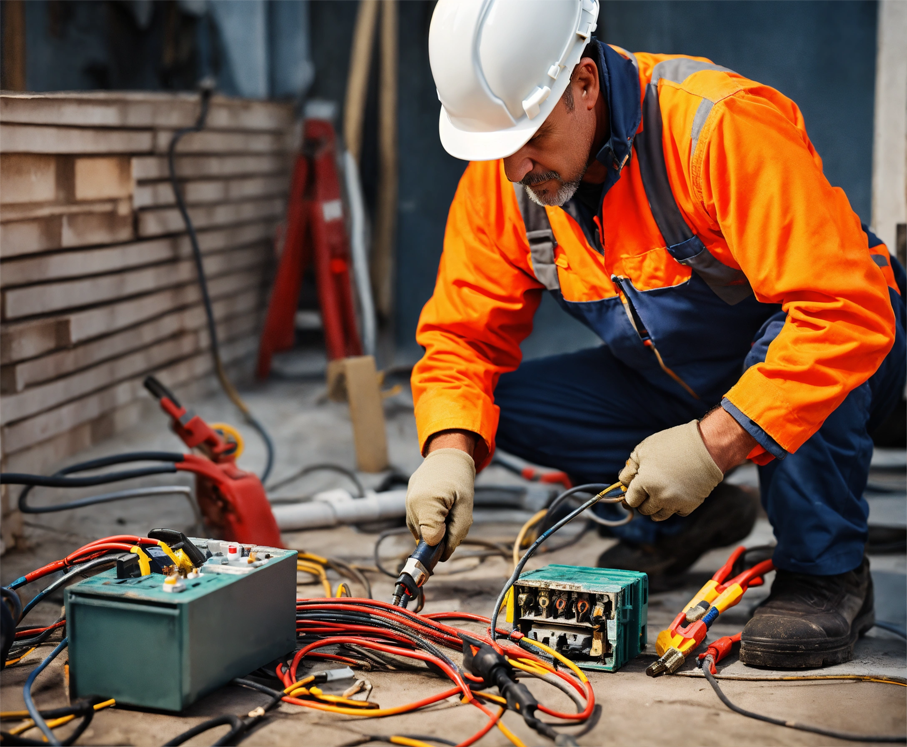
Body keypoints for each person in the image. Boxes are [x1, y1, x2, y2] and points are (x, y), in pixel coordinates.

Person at [405, 0, 905, 669]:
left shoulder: (717, 126)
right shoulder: (507, 182)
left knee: (798, 344)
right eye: (499, 147)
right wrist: (449, 451)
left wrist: (712, 444)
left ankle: (825, 572)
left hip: (848, 346)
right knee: (496, 405)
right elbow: (461, 342)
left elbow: (839, 312)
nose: (516, 169)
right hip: (676, 374)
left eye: (531, 137)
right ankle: (686, 521)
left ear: (584, 83)